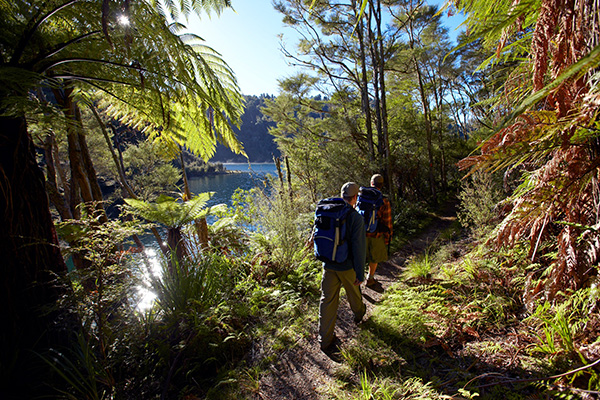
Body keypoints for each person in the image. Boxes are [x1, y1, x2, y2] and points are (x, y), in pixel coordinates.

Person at [318, 182, 367, 352]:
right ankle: (359, 315)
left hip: (328, 265)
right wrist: (360, 274)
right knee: (354, 294)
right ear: (355, 198)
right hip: (347, 267)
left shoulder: (328, 211)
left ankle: (324, 340)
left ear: (341, 195)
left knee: (327, 301)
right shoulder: (356, 218)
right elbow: (359, 248)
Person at [365, 174, 393, 287]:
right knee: (374, 257)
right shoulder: (384, 200)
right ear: (381, 185)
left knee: (360, 257)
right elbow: (387, 221)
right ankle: (370, 278)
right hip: (376, 234)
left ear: (371, 183)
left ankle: (356, 281)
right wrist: (388, 237)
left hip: (361, 234)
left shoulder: (361, 196)